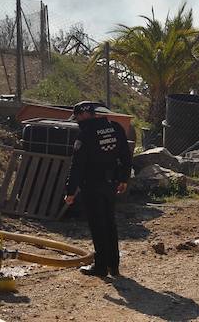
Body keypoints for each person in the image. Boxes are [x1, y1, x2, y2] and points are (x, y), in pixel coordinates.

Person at [64, 101, 131, 278]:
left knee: (97, 224)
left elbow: (77, 166)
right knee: (110, 222)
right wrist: (124, 178)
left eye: (77, 117)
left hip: (92, 185)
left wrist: (70, 192)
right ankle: (114, 266)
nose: (77, 121)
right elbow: (125, 153)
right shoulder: (114, 127)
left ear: (83, 115)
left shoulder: (85, 135)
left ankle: (100, 267)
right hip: (111, 182)